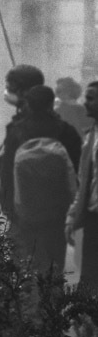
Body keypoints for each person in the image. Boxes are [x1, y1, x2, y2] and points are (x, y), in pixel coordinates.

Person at [0, 84, 81, 275]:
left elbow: (6, 173)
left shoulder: (16, 132)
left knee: (29, 265)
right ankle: (53, 292)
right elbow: (78, 171)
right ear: (51, 104)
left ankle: (33, 292)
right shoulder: (66, 131)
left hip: (25, 210)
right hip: (58, 211)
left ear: (28, 104)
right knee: (55, 263)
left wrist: (8, 206)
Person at [66, 81, 98, 292]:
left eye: (91, 98)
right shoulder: (90, 137)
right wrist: (72, 216)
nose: (85, 102)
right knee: (89, 279)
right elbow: (83, 182)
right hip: (93, 218)